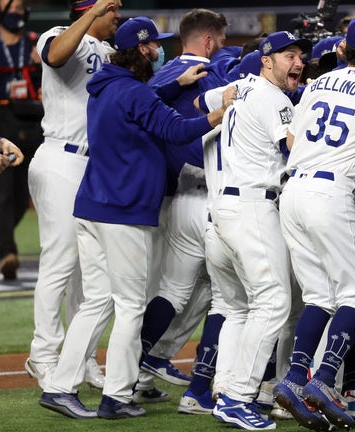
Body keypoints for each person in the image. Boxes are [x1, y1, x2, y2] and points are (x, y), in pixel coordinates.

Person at [38, 16, 230, 420]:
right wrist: (217, 116)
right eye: (153, 46)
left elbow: (141, 100)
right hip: (123, 212)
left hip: (92, 206)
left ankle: (59, 386)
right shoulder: (134, 92)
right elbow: (176, 131)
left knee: (96, 303)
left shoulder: (105, 87)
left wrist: (169, 86)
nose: (159, 51)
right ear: (141, 50)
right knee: (128, 305)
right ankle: (116, 396)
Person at [272, 16, 355, 432]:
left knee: (318, 298)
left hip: (291, 191)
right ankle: (325, 380)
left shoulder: (316, 84)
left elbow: (292, 139)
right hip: (330, 194)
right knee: (354, 298)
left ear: (345, 49)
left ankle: (295, 379)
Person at [208, 30, 311, 431]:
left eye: (300, 55)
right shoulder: (274, 98)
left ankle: (226, 389)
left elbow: (208, 103)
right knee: (272, 303)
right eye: (288, 55)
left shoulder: (241, 87)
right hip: (252, 205)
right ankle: (237, 398)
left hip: (225, 205)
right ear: (266, 60)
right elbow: (292, 148)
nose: (298, 61)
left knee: (241, 308)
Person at [136, 7, 230, 411]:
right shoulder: (215, 74)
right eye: (221, 40)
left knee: (175, 289)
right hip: (211, 196)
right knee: (227, 296)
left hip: (170, 196)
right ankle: (201, 388)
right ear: (208, 41)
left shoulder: (158, 75)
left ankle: (140, 365)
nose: (222, 47)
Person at [24, 0, 120, 391]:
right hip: (61, 156)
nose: (118, 14)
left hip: (93, 165)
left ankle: (81, 358)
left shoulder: (109, 51)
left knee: (90, 268)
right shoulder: (59, 37)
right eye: (113, 8)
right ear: (92, 10)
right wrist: (92, 13)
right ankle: (43, 355)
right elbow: (54, 54)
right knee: (60, 261)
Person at [0, 0, 42, 280]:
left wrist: (43, 64)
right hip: (1, 119)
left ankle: (3, 243)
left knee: (23, 196)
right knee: (2, 192)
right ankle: (7, 252)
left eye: (20, 8)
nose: (17, 13)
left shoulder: (36, 43)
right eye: (10, 9)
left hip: (31, 120)